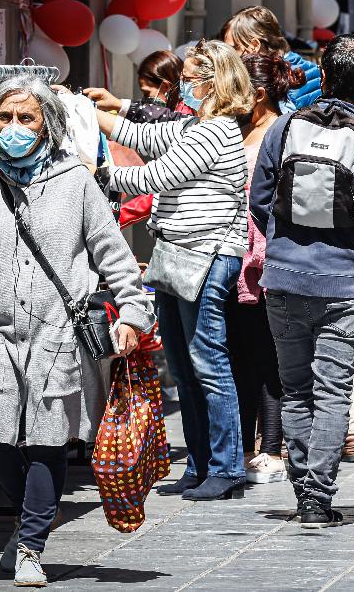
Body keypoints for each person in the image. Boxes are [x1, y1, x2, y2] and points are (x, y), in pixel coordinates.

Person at [0, 78, 152, 586]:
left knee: (45, 439)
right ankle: (38, 510)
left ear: (48, 125)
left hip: (57, 331)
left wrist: (132, 313)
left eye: (27, 118)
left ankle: (31, 545)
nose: (14, 128)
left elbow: (113, 254)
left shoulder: (75, 182)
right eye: (5, 118)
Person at [249, 34, 354, 528]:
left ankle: (300, 488)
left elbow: (258, 199)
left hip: (284, 280)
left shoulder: (284, 128)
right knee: (333, 391)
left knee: (295, 391)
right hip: (340, 286)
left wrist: (283, 242)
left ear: (324, 73)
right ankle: (319, 497)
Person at [95, 40, 253, 501]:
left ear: (215, 81)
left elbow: (153, 177)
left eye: (193, 75)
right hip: (176, 254)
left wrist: (98, 171)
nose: (186, 82)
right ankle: (202, 464)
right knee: (183, 365)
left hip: (209, 254)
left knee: (208, 361)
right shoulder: (193, 125)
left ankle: (227, 468)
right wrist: (88, 111)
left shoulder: (216, 131)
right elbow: (141, 137)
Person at [224, 53, 307, 486]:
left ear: (257, 94)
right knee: (238, 354)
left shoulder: (281, 131)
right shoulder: (235, 130)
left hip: (264, 258)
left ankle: (272, 448)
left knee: (266, 356)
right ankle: (242, 446)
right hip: (233, 256)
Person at [218, 5, 322, 109]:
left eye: (232, 49)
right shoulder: (316, 71)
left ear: (254, 46)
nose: (228, 57)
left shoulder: (278, 84)